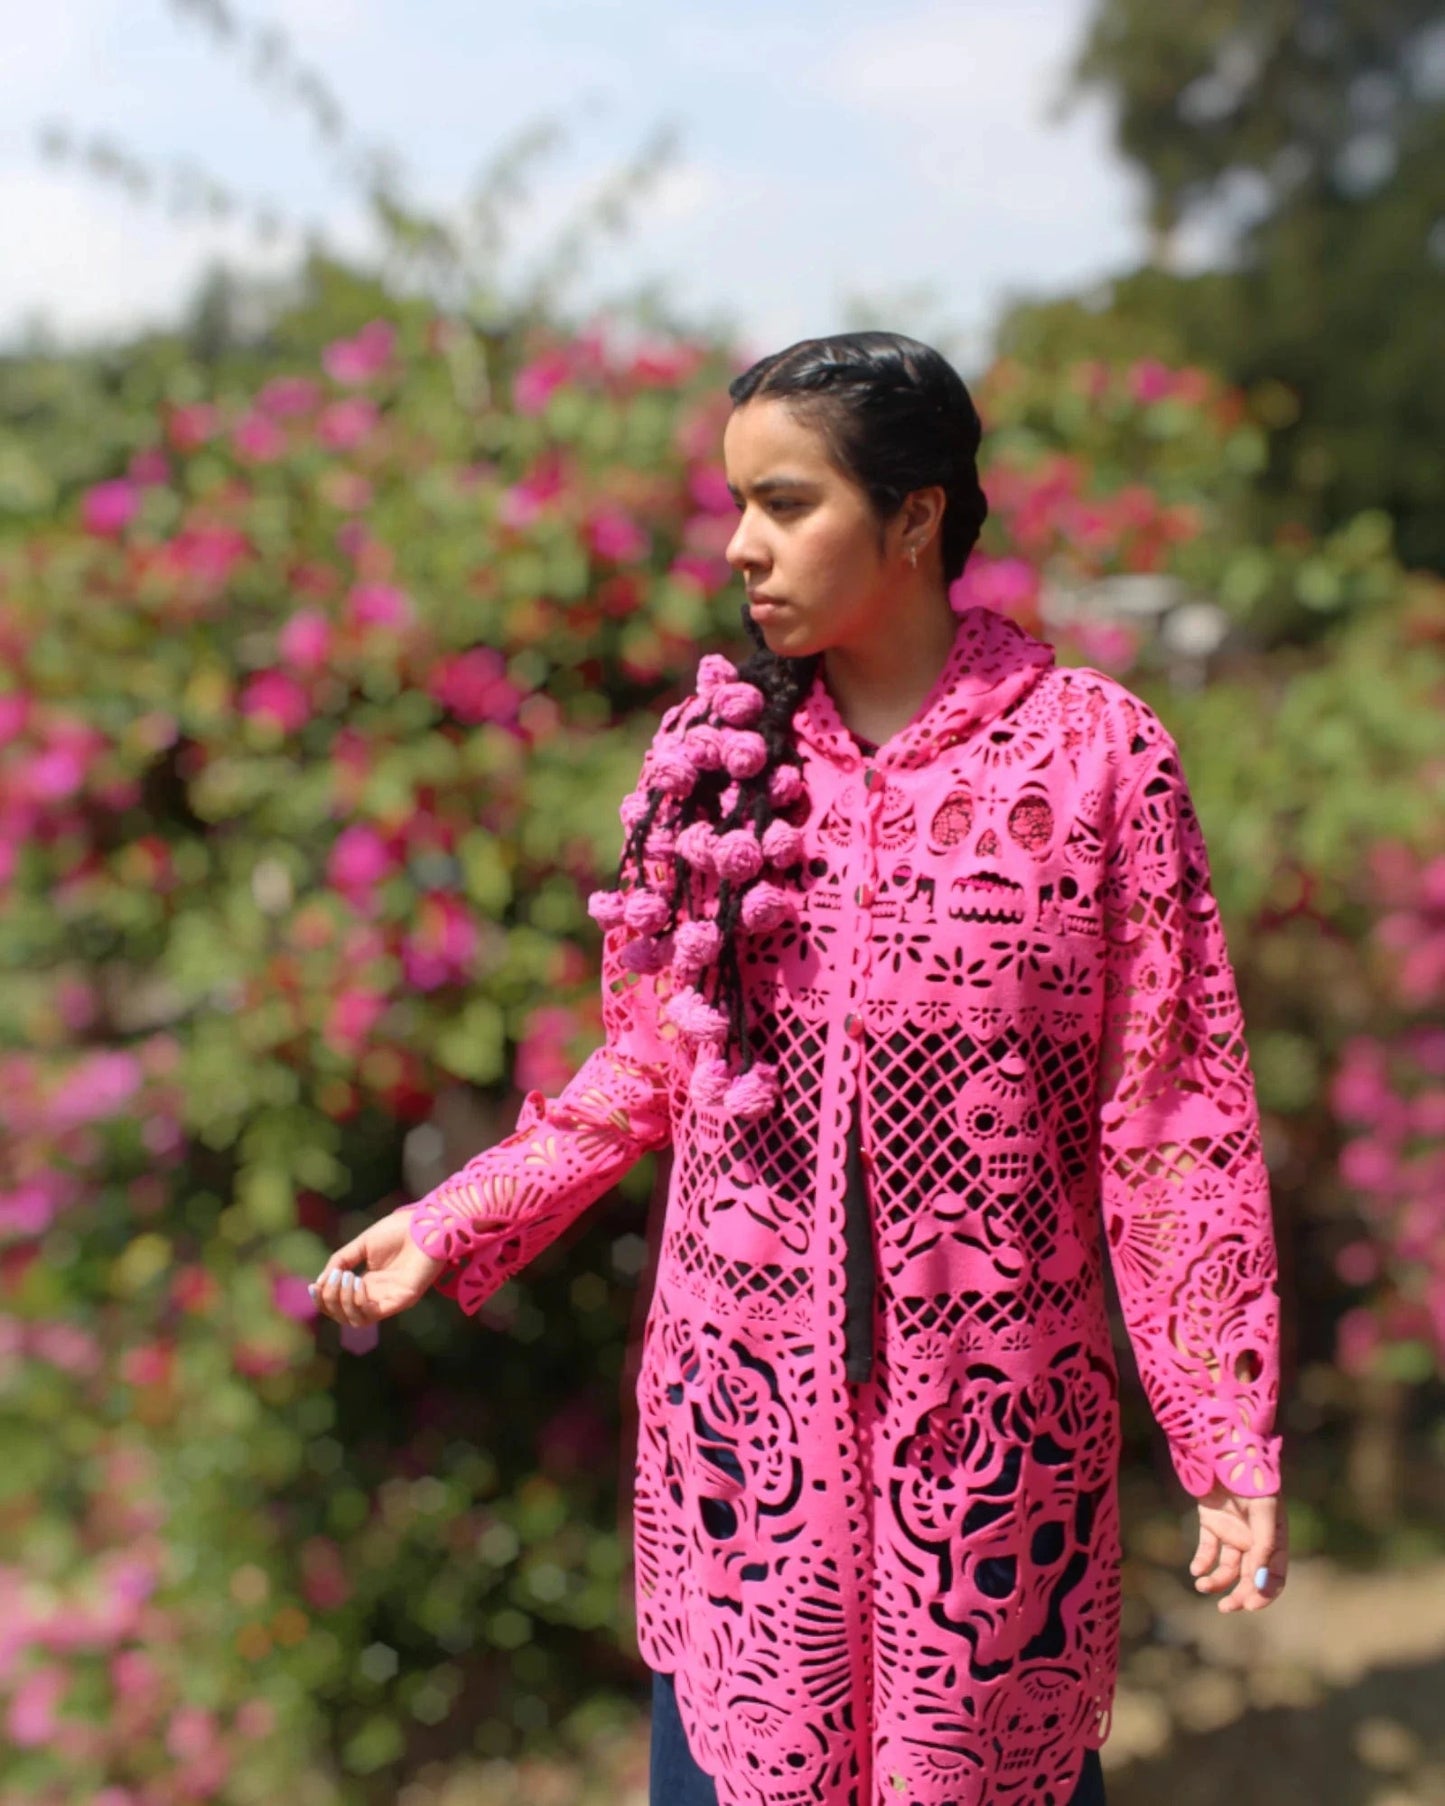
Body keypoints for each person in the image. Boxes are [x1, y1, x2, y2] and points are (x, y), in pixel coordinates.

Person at [312, 331, 1289, 1806]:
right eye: (735, 504)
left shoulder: (1096, 760)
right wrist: (458, 1214)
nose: (739, 545)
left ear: (914, 516)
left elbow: (1168, 1115)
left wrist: (1220, 1427)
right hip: (745, 1466)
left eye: (783, 502)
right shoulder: (714, 763)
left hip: (993, 1462)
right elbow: (642, 1067)